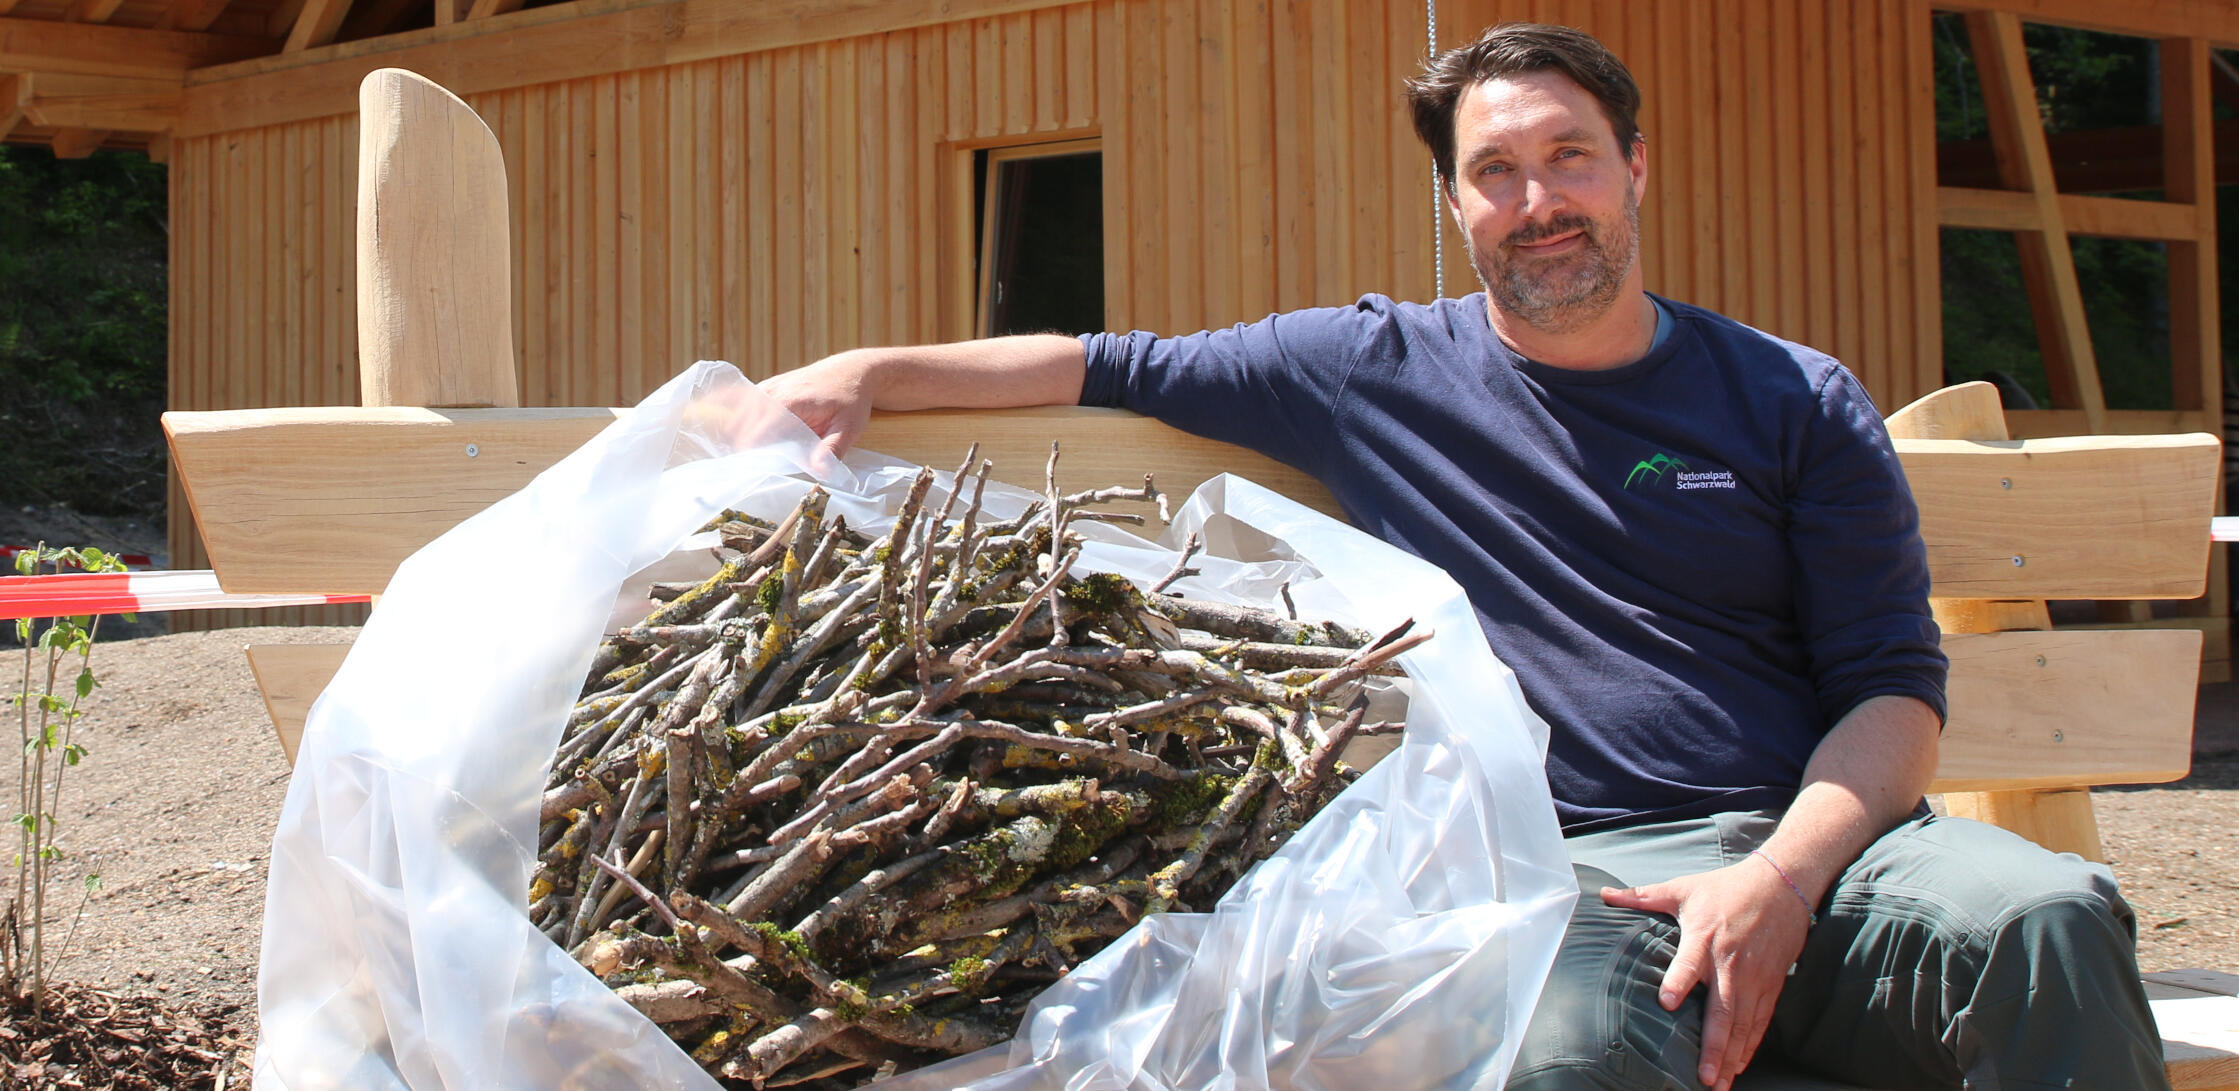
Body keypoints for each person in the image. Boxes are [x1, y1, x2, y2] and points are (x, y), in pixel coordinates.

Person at [758, 22, 2167, 1091]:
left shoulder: (1789, 397)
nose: (1539, 199)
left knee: (2047, 914)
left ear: (1634, 168)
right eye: (1495, 173)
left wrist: (1783, 881)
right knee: (1556, 1062)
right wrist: (870, 365)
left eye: (1569, 158)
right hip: (1574, 881)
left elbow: (1892, 692)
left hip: (1828, 854)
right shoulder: (1367, 370)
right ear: (1455, 205)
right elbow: (1099, 359)